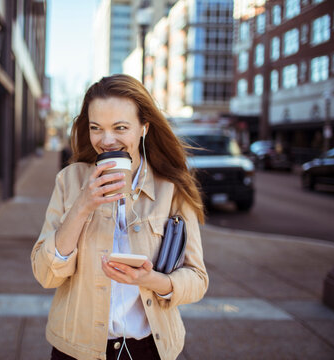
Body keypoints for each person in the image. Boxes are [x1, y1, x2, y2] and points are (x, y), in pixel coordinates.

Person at [31, 74, 208, 360]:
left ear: (143, 128)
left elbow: (197, 279)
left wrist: (153, 280)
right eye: (96, 128)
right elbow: (45, 274)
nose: (107, 139)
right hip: (76, 349)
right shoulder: (69, 180)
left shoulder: (171, 188)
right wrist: (82, 205)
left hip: (149, 349)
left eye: (120, 127)